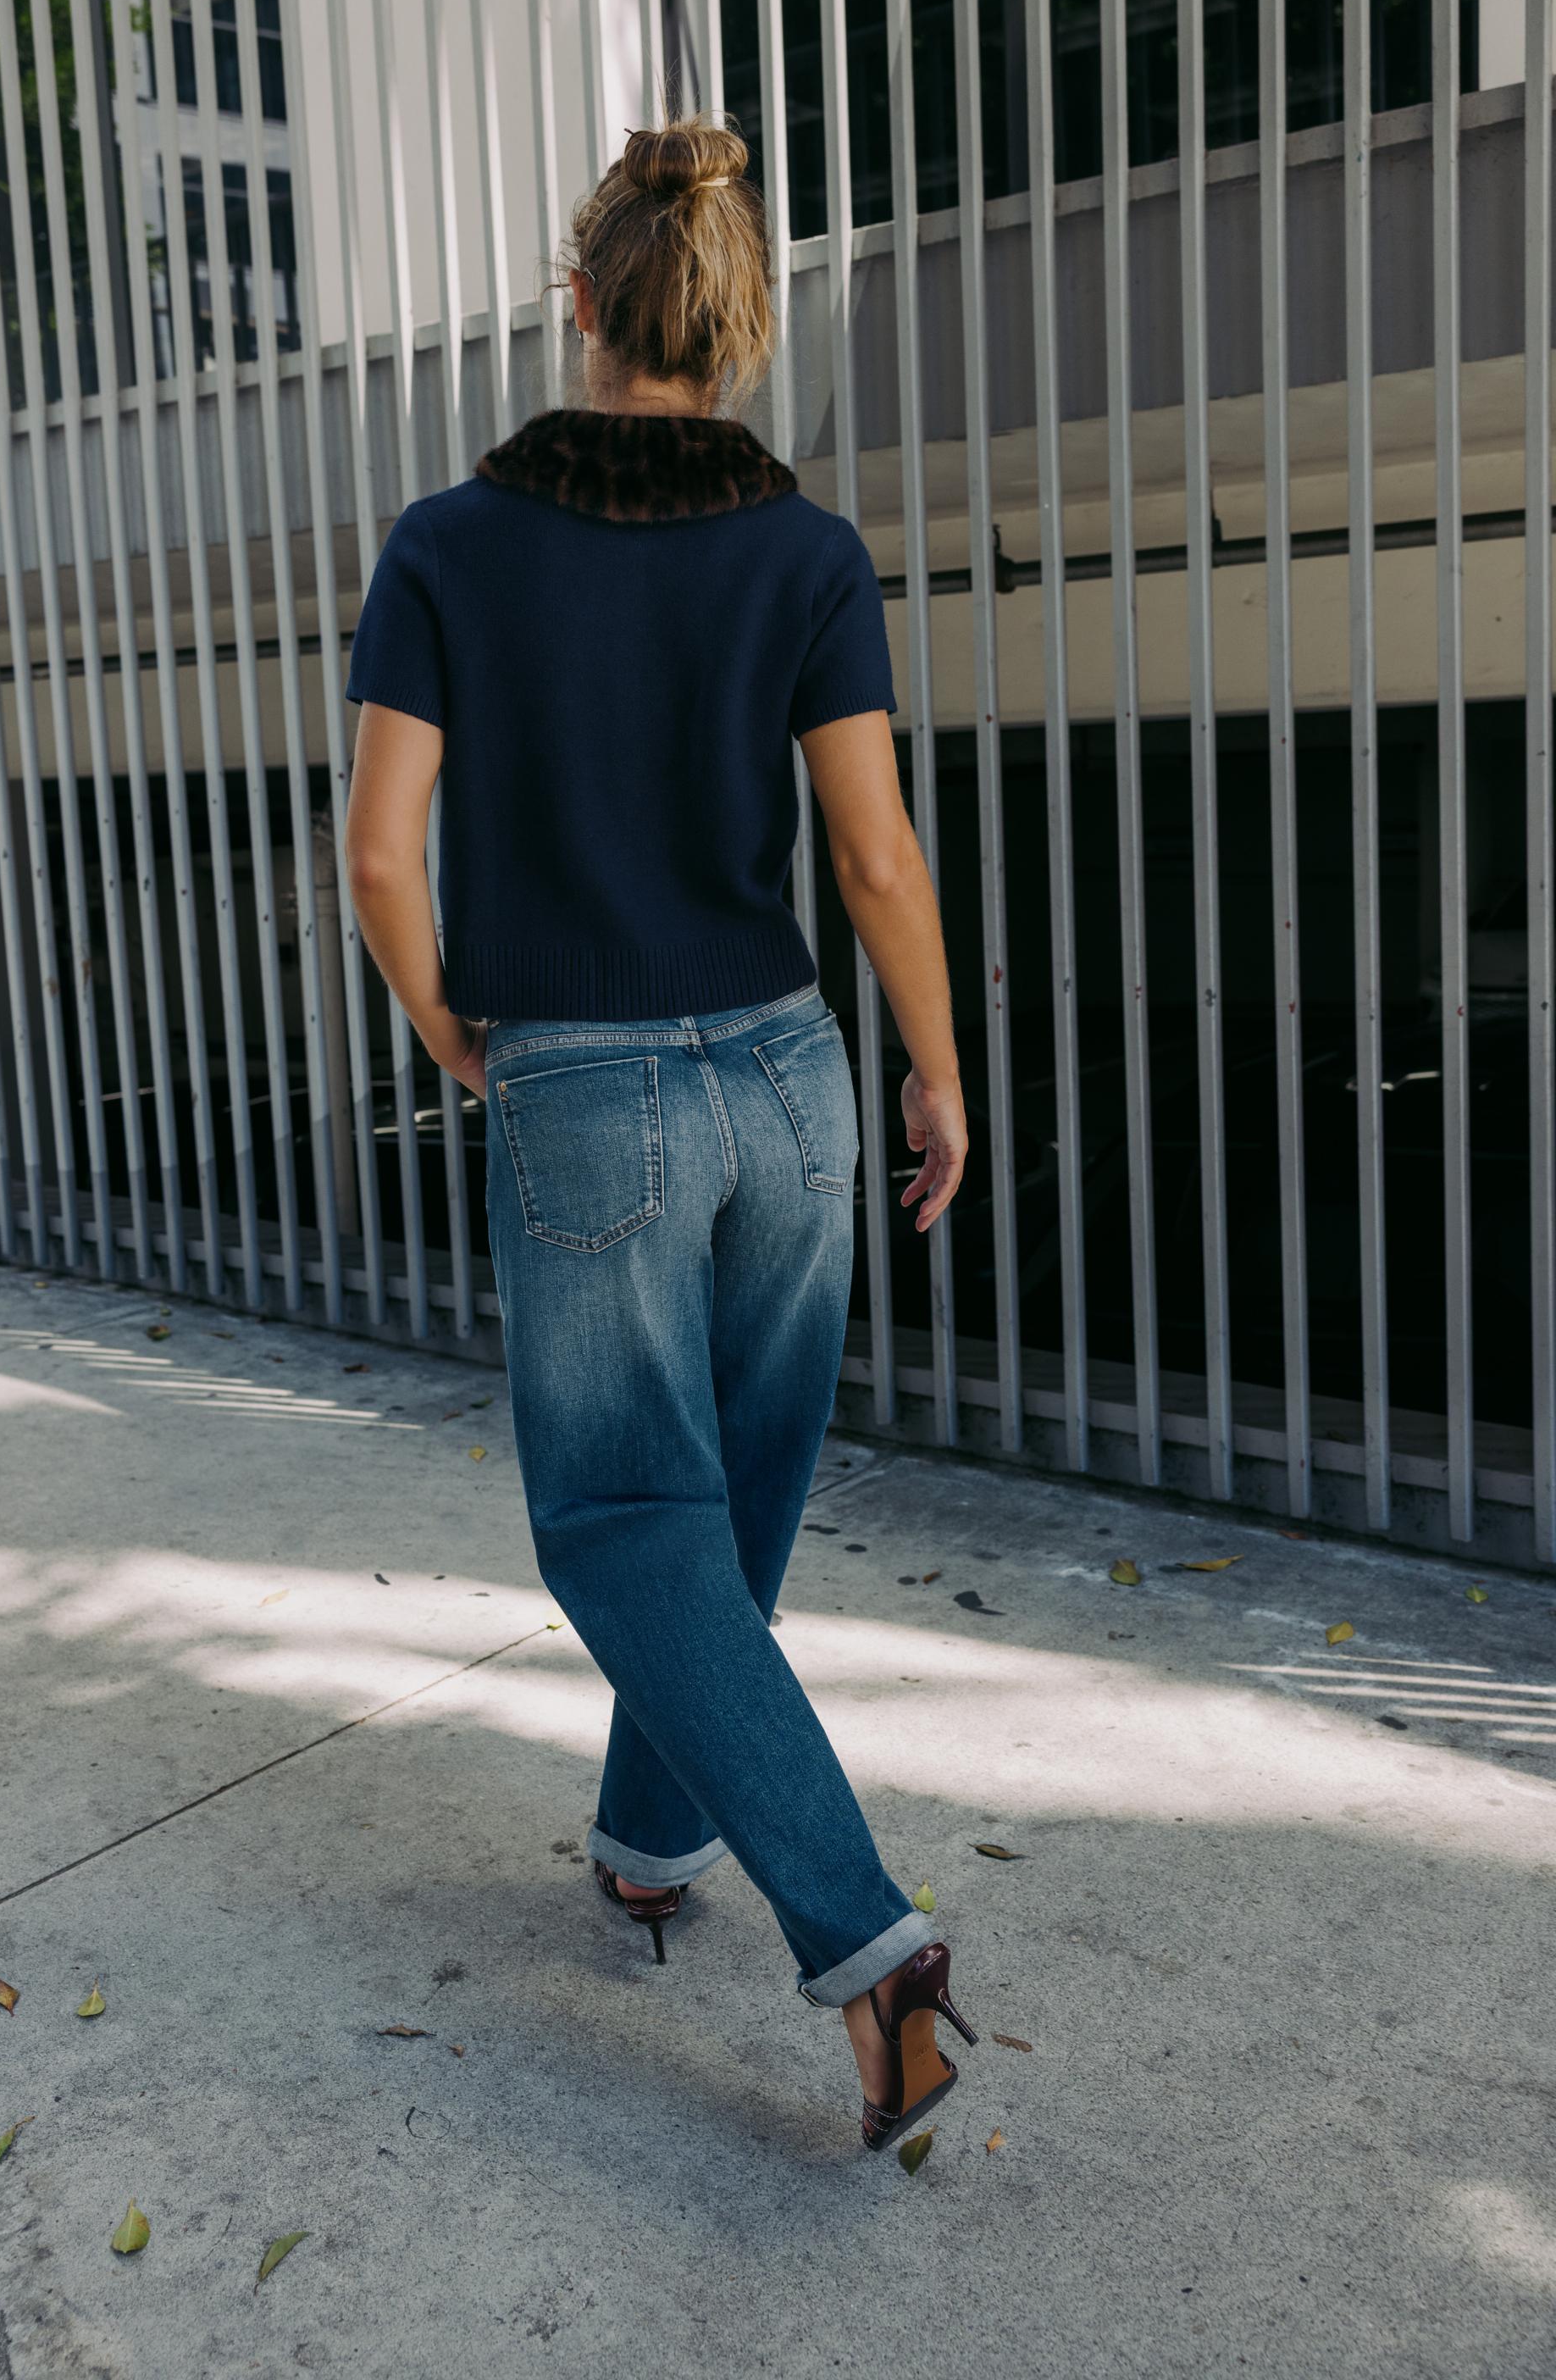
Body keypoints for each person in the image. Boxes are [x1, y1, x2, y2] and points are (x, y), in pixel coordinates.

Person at [342, 111, 973, 2154]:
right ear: (731, 319)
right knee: (736, 1513)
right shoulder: (802, 550)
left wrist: (452, 1018)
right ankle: (645, 1841)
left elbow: (375, 854)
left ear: (581, 298)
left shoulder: (449, 543)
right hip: (787, 1078)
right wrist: (938, 1071)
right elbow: (871, 860)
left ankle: (868, 1946)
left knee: (622, 1523)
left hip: (589, 1079)